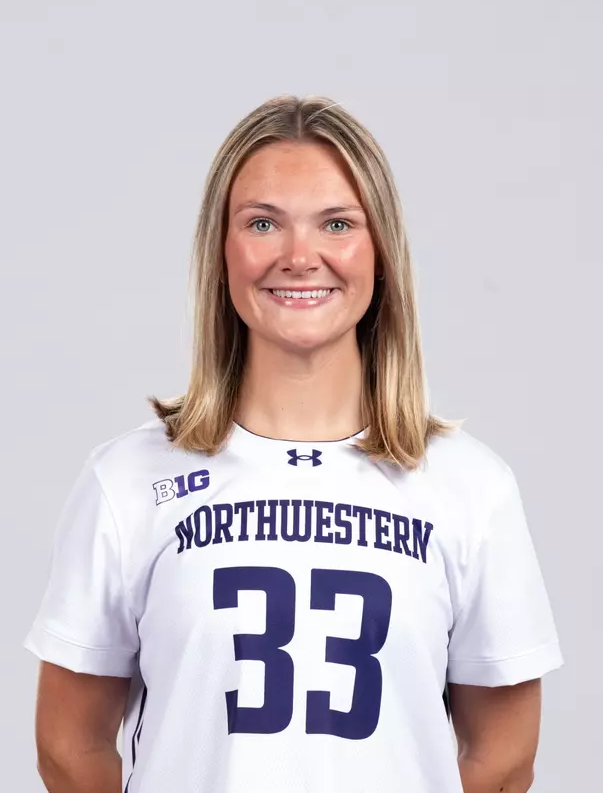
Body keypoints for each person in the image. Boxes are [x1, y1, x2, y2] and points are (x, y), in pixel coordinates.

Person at [24, 94, 563, 793]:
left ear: (381, 254)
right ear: (222, 251)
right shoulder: (127, 479)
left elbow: (503, 757)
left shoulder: (470, 487)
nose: (298, 256)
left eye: (336, 223)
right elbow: (69, 746)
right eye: (262, 223)